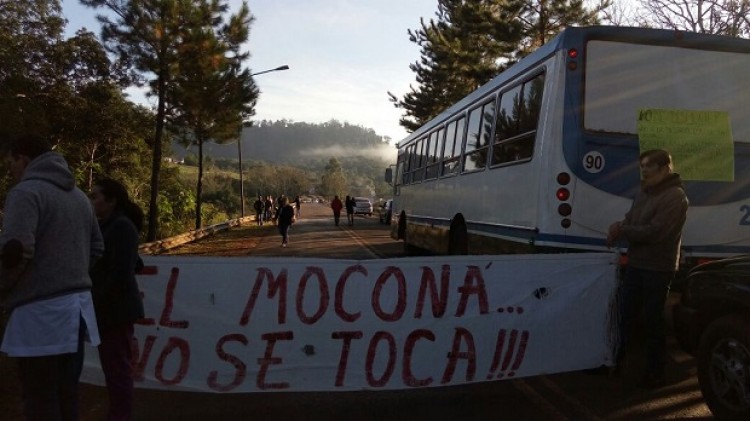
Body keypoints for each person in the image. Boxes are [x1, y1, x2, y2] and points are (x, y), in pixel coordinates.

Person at [0, 133, 104, 420]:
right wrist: (71, 274)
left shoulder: (25, 193)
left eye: (10, 163)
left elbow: (16, 252)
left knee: (39, 400)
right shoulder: (80, 197)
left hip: (40, 314)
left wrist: (3, 287)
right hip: (78, 308)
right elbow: (97, 247)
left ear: (23, 159)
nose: (10, 169)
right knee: (66, 395)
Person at [607, 149, 689, 389]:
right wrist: (619, 226)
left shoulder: (676, 197)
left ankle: (656, 373)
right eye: (642, 166)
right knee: (623, 315)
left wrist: (624, 231)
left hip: (658, 268)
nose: (643, 171)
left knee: (653, 321)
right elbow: (631, 218)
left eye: (649, 167)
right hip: (636, 263)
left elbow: (656, 232)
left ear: (665, 169)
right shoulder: (644, 191)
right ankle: (614, 362)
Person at [89, 178, 146, 421]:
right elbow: (134, 263)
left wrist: (95, 298)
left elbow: (122, 272)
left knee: (118, 371)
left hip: (116, 310)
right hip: (111, 310)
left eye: (95, 196)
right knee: (114, 370)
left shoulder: (120, 227)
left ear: (111, 201)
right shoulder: (109, 225)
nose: (91, 201)